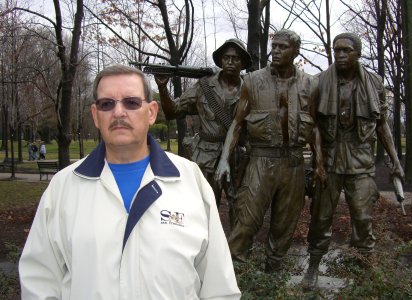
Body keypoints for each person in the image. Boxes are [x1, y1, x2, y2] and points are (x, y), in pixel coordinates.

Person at [19, 64, 241, 299]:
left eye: (131, 102)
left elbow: (219, 287)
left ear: (152, 112)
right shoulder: (64, 187)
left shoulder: (190, 181)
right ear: (96, 115)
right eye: (107, 104)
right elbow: (40, 282)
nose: (118, 112)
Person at [215, 29, 326, 272]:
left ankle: (272, 279)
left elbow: (315, 127)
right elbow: (237, 123)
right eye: (274, 46)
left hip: (294, 163)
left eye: (282, 47)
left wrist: (319, 164)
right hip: (260, 161)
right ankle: (233, 279)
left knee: (284, 226)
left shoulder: (310, 84)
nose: (275, 51)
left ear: (295, 51)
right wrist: (224, 159)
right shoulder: (253, 81)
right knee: (246, 221)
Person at [301, 32, 405, 289]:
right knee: (321, 217)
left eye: (346, 50)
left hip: (360, 160)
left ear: (358, 53)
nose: (341, 55)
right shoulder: (319, 83)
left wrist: (396, 161)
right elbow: (312, 125)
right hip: (330, 158)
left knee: (362, 216)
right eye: (337, 50)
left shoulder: (375, 83)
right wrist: (319, 162)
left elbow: (382, 125)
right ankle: (312, 267)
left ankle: (363, 271)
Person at [155, 38, 252, 230]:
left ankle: (236, 253)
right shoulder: (203, 86)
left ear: (242, 63)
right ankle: (204, 247)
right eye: (226, 58)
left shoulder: (250, 89)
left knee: (239, 204)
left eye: (235, 58)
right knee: (203, 206)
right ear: (220, 61)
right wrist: (162, 88)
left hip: (237, 156)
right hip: (205, 155)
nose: (230, 62)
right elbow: (172, 111)